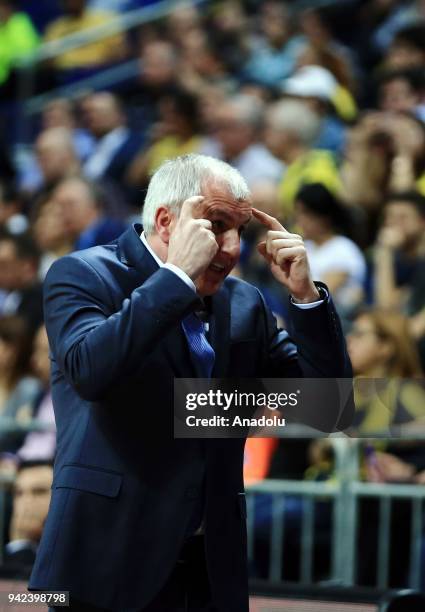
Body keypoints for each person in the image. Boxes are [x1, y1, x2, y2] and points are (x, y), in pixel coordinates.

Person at [30, 154, 352, 611]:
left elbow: (330, 407)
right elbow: (91, 372)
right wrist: (176, 278)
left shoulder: (245, 303)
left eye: (242, 229)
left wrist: (304, 298)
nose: (234, 246)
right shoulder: (83, 274)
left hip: (208, 569)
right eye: (219, 225)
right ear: (166, 221)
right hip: (105, 555)